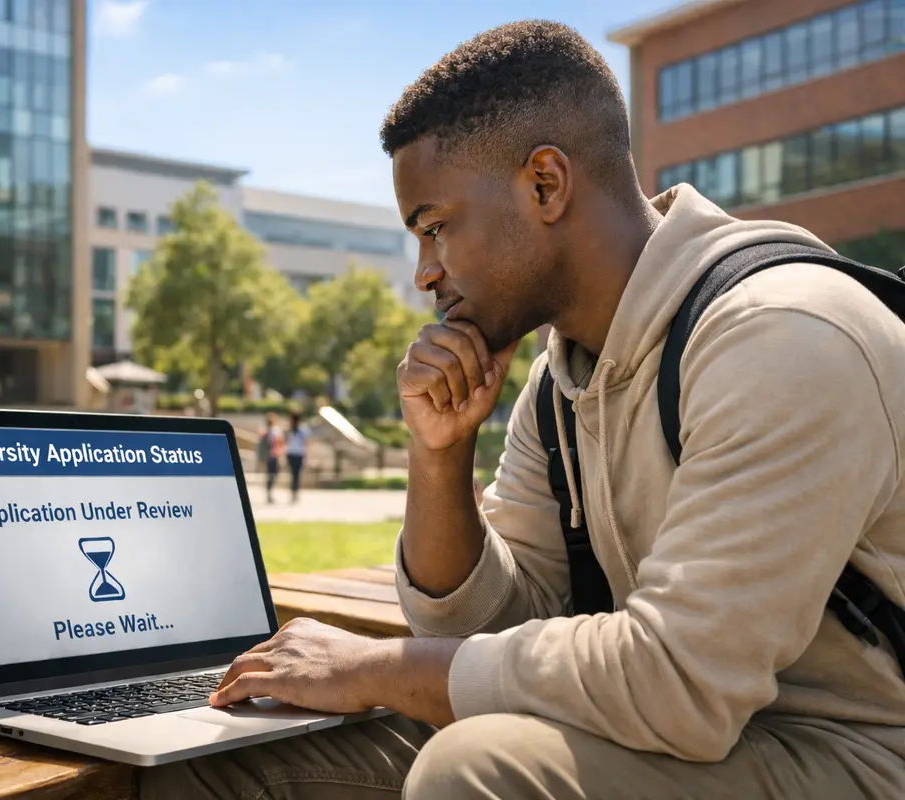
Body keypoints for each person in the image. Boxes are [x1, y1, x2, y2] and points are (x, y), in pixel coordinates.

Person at [140, 20, 905, 800]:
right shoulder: (559, 379)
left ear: (546, 184)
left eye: (435, 228)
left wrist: (371, 666)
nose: (423, 274)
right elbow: (486, 641)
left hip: (851, 755)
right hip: (669, 738)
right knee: (218, 758)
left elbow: (682, 686)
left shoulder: (782, 335)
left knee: (474, 771)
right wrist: (439, 456)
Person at [257, 411, 285, 504]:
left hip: (269, 456)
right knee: (272, 474)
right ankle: (269, 493)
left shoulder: (264, 431)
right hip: (273, 455)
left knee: (271, 475)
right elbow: (280, 442)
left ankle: (269, 493)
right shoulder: (275, 430)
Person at [284, 411, 309, 503]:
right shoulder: (291, 430)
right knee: (295, 475)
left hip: (295, 453)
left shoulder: (299, 430)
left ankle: (294, 492)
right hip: (295, 454)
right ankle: (294, 493)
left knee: (294, 475)